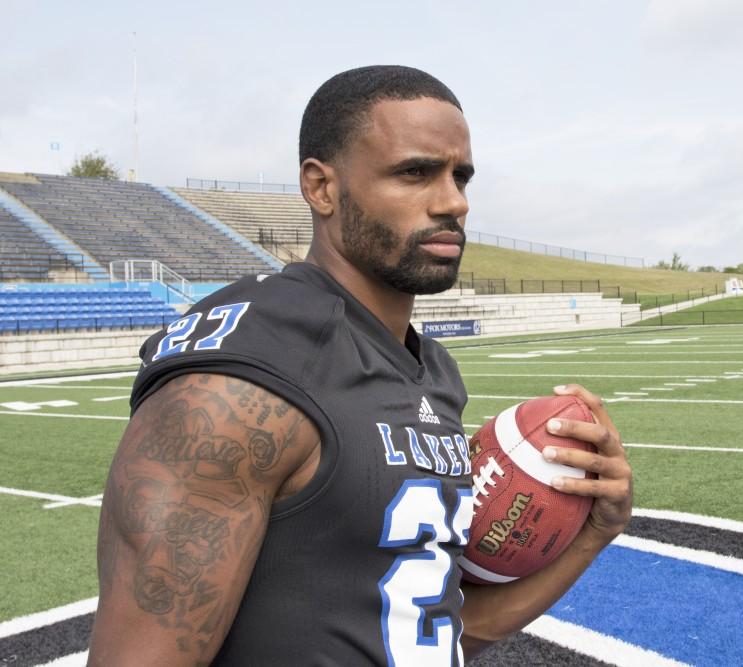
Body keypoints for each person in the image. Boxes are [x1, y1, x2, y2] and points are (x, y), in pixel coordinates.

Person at [88, 65, 633, 666]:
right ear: (322, 187)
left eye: (461, 176)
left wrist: (593, 535)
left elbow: (426, 637)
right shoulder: (241, 381)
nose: (454, 201)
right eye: (414, 173)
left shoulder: (428, 369)